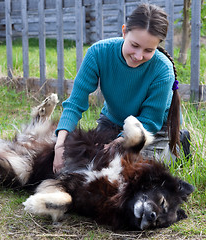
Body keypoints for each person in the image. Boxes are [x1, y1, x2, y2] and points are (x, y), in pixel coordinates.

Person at [53, 3, 188, 173]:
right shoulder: (98, 53)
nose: (138, 56)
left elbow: (150, 120)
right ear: (124, 32)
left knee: (133, 168)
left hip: (150, 129)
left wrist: (116, 145)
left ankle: (178, 145)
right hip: (113, 121)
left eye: (148, 50)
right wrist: (59, 146)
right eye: (134, 45)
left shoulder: (162, 70)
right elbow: (75, 103)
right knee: (89, 158)